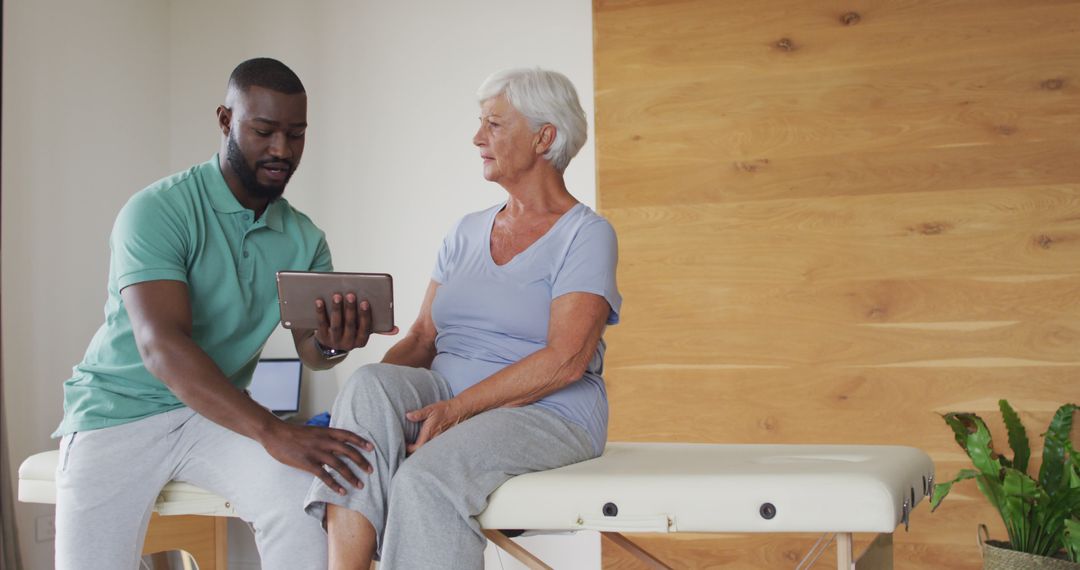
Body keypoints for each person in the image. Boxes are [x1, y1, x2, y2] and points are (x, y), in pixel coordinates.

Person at [52, 58, 388, 570]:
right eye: (264, 130)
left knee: (301, 496)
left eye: (296, 134)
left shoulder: (304, 239)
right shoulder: (158, 210)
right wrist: (275, 431)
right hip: (116, 414)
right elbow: (161, 346)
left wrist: (334, 341)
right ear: (226, 120)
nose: (282, 149)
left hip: (212, 416)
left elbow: (312, 353)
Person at [304, 67, 622, 569]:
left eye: (494, 124)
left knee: (425, 478)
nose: (478, 138)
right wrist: (365, 415)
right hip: (447, 398)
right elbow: (422, 338)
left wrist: (458, 411)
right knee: (367, 385)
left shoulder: (586, 235)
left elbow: (566, 361)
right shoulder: (465, 232)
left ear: (545, 137)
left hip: (548, 413)